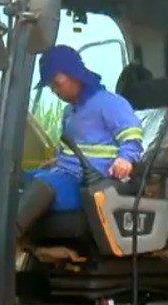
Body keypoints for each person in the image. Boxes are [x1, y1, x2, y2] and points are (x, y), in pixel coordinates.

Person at [15, 45, 145, 243]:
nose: (54, 90)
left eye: (57, 83)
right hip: (63, 174)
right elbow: (74, 147)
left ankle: (5, 242)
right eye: (51, 85)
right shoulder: (70, 112)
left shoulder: (109, 103)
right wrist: (56, 161)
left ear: (74, 75)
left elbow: (132, 133)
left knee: (41, 186)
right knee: (14, 177)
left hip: (87, 182)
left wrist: (125, 159)